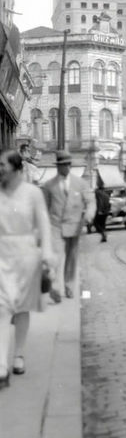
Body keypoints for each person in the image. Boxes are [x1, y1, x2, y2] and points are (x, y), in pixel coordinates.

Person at [0, 149, 56, 385]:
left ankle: (19, 355)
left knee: (22, 307)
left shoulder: (32, 193)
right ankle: (1, 365)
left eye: (2, 165)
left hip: (26, 255)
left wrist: (47, 256)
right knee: (2, 307)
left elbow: (44, 225)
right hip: (1, 255)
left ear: (16, 168)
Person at [42, 150, 95, 299]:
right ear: (57, 166)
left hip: (74, 225)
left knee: (71, 258)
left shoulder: (81, 184)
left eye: (67, 164)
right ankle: (55, 287)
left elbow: (90, 201)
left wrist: (89, 214)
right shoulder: (48, 185)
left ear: (70, 165)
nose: (65, 167)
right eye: (61, 165)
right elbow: (44, 208)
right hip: (55, 226)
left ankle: (69, 285)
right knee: (56, 256)